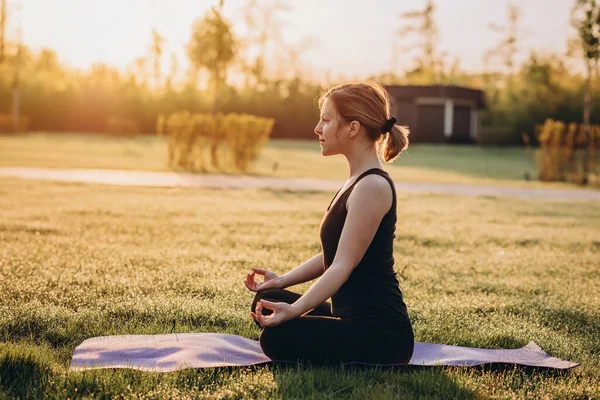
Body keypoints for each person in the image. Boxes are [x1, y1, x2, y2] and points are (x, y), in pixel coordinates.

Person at [243, 81, 414, 367]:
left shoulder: (372, 186)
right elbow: (334, 254)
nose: (317, 129)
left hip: (380, 333)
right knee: (268, 297)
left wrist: (295, 310)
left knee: (276, 338)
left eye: (326, 120)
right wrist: (281, 280)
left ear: (353, 128)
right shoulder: (358, 181)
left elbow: (341, 265)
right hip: (346, 314)